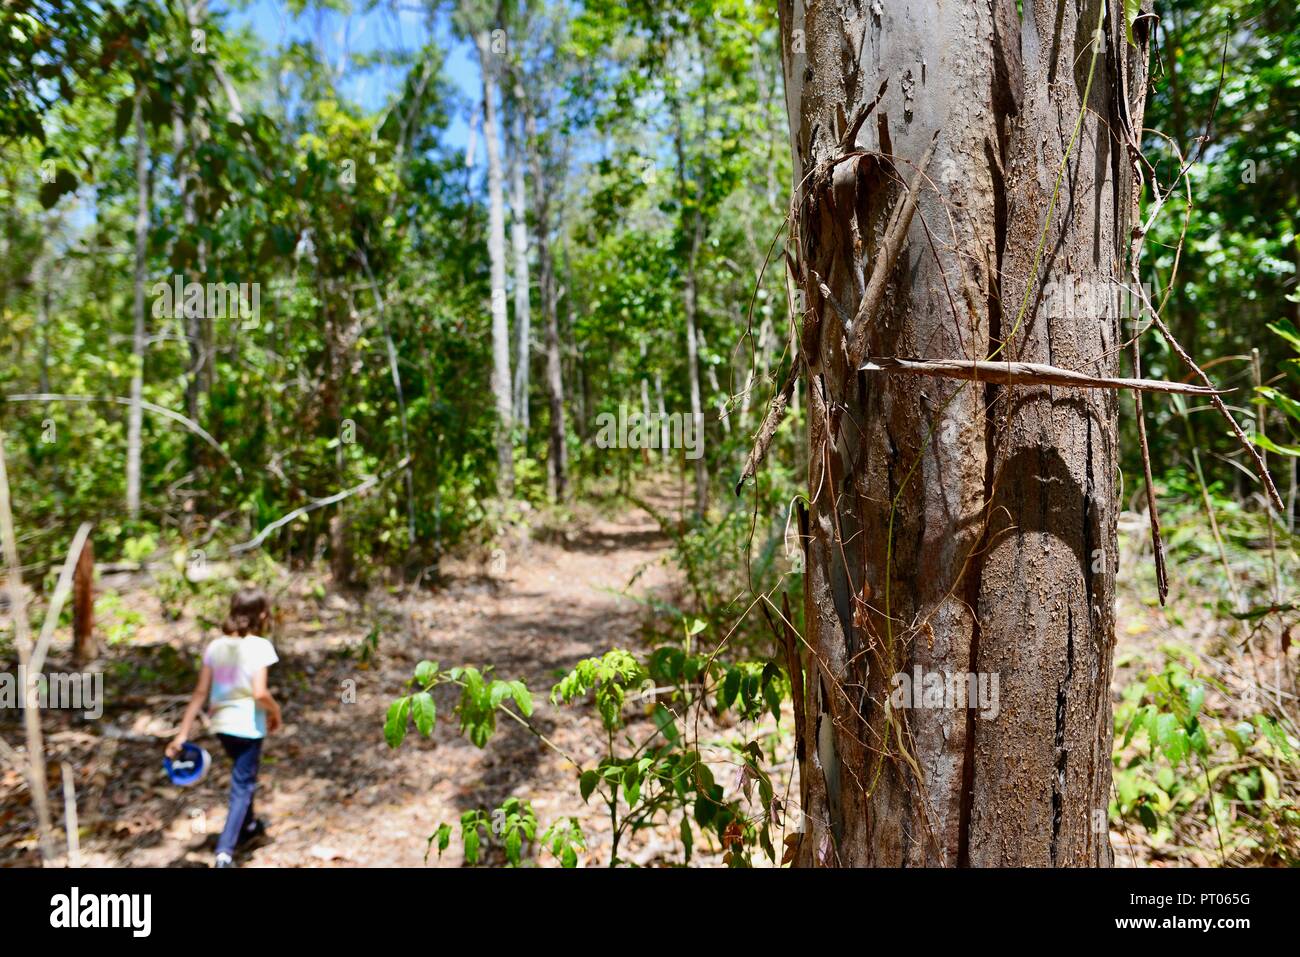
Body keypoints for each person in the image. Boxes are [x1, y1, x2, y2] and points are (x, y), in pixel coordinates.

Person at [167, 586, 282, 868]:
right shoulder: (261, 646)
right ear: (263, 614)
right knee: (242, 785)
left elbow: (199, 693)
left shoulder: (215, 647)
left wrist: (182, 733)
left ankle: (249, 828)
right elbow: (260, 693)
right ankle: (224, 853)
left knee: (246, 776)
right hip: (248, 726)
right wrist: (276, 711)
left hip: (221, 725)